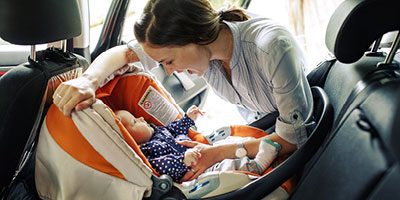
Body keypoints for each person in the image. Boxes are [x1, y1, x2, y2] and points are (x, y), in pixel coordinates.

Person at [52, 0, 313, 182]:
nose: (167, 72)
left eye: (168, 61)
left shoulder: (272, 48)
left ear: (193, 38)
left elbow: (293, 139)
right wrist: (88, 81)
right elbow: (122, 54)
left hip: (292, 149)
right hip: (259, 136)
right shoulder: (203, 46)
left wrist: (218, 153)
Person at [115, 105, 281, 182]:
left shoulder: (158, 131)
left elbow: (174, 128)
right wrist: (183, 160)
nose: (142, 118)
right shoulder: (147, 151)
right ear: (130, 141)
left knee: (231, 142)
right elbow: (160, 166)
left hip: (201, 151)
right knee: (226, 167)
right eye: (135, 122)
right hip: (195, 168)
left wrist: (188, 118)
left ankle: (252, 147)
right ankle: (257, 165)